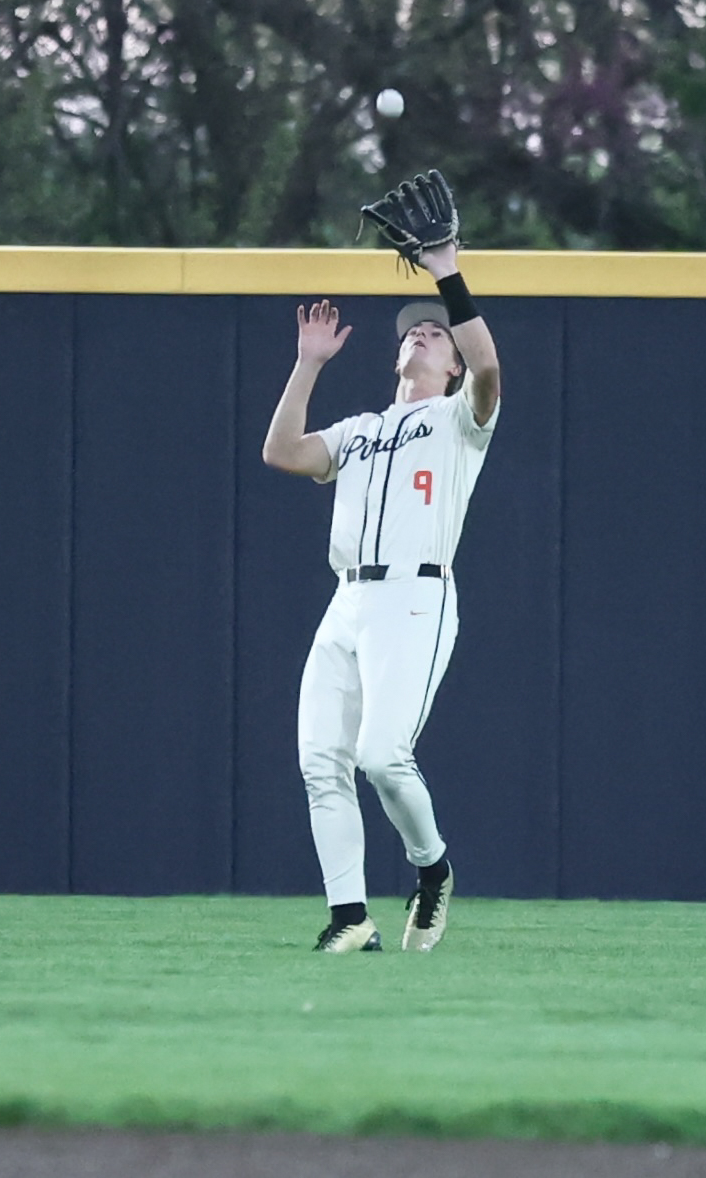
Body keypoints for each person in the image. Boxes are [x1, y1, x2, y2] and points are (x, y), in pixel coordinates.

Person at [261, 239, 501, 953]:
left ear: (452, 365)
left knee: (381, 756)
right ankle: (350, 916)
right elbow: (282, 451)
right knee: (320, 762)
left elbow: (488, 368)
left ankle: (432, 869)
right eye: (411, 332)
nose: (421, 335)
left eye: (435, 334)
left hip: (414, 595)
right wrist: (308, 364)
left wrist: (447, 273)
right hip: (348, 600)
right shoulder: (358, 432)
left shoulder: (460, 420)